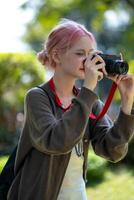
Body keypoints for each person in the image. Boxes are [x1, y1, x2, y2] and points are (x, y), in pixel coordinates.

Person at [7, 19, 134, 200]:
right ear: (57, 56)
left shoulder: (88, 100)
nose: (88, 61)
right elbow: (56, 142)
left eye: (91, 54)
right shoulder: (37, 97)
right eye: (80, 53)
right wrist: (89, 88)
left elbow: (113, 151)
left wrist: (127, 101)